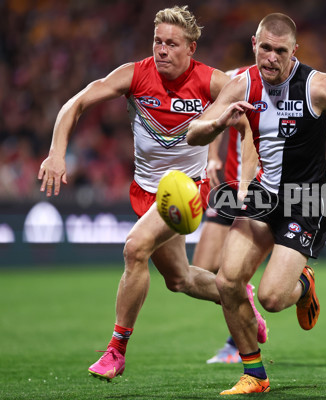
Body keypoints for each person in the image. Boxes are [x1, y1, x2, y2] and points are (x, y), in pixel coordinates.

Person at [187, 13, 326, 395]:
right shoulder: (241, 84)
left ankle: (303, 284)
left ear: (294, 51)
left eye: (280, 51)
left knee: (274, 299)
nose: (271, 58)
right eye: (265, 48)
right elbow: (195, 132)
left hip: (306, 200)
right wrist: (219, 121)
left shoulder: (316, 86)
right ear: (253, 44)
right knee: (228, 282)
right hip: (263, 194)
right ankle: (254, 375)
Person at [37, 5, 266, 381]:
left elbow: (253, 122)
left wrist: (246, 177)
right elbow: (74, 103)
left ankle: (116, 350)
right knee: (180, 280)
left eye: (172, 44)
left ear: (191, 48)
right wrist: (56, 153)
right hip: (147, 192)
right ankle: (241, 297)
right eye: (157, 41)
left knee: (134, 247)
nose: (162, 50)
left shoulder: (213, 81)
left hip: (188, 190)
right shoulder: (134, 75)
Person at [194, 66, 266, 364]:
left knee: (235, 273)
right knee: (201, 268)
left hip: (262, 189)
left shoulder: (289, 85)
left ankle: (237, 343)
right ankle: (246, 301)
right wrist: (212, 157)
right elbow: (214, 117)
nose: (269, 57)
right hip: (229, 186)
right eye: (264, 49)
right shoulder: (233, 79)